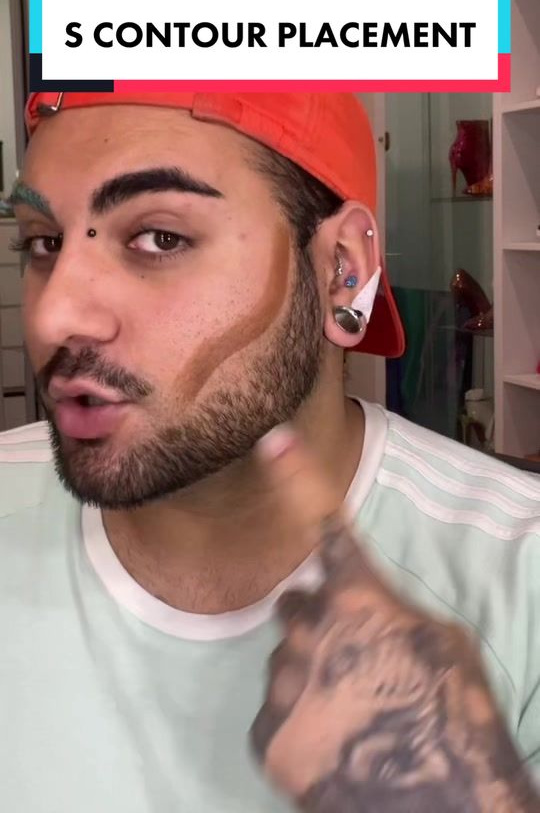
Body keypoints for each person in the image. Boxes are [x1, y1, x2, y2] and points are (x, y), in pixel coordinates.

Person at [1, 91, 539, 813]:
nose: (54, 316)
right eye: (43, 242)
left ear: (343, 271)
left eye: (159, 238)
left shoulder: (520, 577)